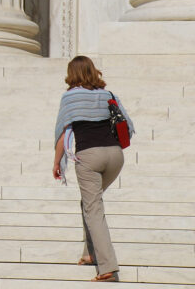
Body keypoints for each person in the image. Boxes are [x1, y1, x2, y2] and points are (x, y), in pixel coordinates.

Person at [52, 56, 134, 282]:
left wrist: (57, 162)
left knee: (93, 207)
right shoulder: (108, 95)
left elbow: (62, 134)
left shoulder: (70, 97)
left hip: (89, 157)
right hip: (115, 156)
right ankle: (89, 253)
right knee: (90, 203)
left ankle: (107, 267)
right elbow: (126, 122)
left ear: (72, 73)